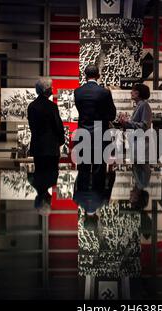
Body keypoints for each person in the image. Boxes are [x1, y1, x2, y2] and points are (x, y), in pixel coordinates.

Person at [74, 65, 116, 191]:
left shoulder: (78, 92)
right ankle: (98, 195)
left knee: (83, 171)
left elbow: (81, 111)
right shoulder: (104, 92)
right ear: (98, 76)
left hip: (83, 135)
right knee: (99, 171)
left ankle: (83, 196)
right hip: (100, 136)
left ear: (85, 76)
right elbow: (112, 115)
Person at [27, 77, 65, 209]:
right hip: (51, 148)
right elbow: (58, 126)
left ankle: (42, 188)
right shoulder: (52, 107)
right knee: (51, 174)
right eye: (50, 87)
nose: (52, 89)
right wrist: (61, 140)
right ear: (46, 90)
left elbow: (32, 127)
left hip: (38, 147)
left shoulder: (31, 106)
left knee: (40, 173)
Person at [119, 83, 155, 164]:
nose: (131, 92)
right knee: (138, 173)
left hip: (141, 147)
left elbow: (144, 126)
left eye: (133, 91)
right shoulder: (140, 105)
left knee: (141, 174)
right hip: (138, 146)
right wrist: (125, 123)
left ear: (138, 93)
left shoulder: (144, 105)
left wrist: (127, 122)